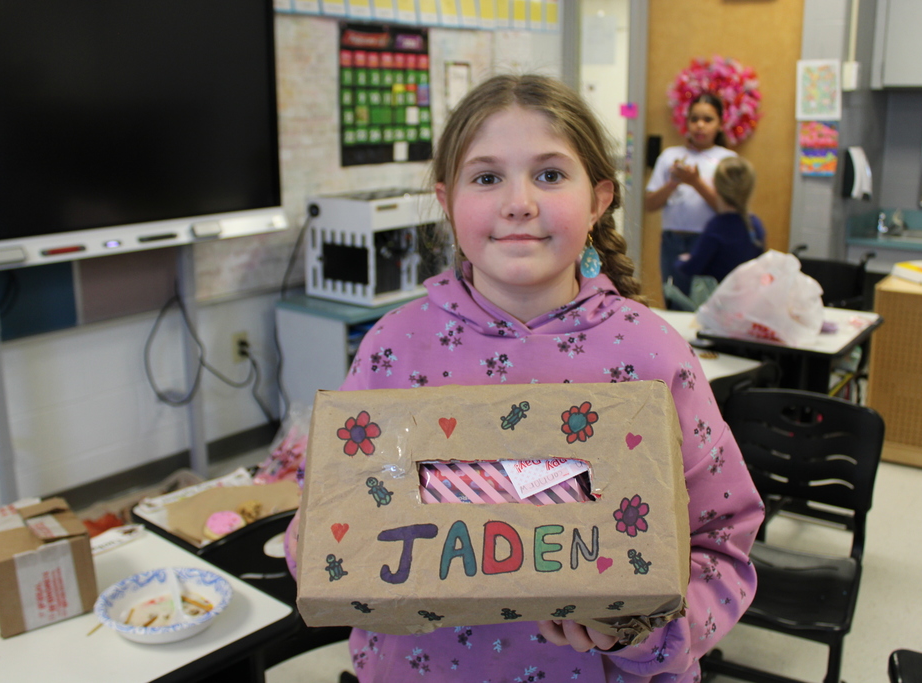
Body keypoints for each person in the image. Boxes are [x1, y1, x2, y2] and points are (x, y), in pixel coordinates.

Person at [284, 74, 763, 682]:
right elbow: (327, 509)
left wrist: (644, 632)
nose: (519, 202)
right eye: (486, 178)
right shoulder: (393, 350)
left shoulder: (651, 354)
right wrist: (326, 549)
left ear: (598, 199)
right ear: (448, 199)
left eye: (549, 174)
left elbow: (724, 537)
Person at [645, 93, 736, 302]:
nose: (700, 125)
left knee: (709, 304)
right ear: (686, 122)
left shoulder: (727, 160)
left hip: (711, 242)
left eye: (708, 119)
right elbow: (650, 204)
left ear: (720, 124)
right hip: (673, 242)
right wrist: (673, 182)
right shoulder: (670, 156)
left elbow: (727, 210)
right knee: (675, 299)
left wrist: (696, 182)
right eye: (694, 119)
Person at [675, 156, 766, 284]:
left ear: (715, 185)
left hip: (719, 300)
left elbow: (690, 268)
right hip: (746, 299)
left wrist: (682, 260)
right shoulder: (755, 225)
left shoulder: (717, 227)